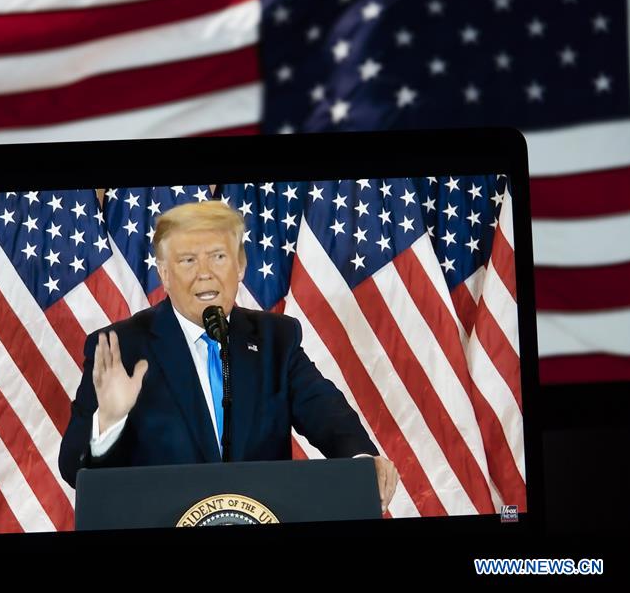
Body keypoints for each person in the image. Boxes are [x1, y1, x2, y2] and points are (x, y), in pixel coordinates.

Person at [58, 200, 399, 512]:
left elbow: (326, 413)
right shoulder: (121, 347)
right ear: (164, 273)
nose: (205, 272)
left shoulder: (275, 338)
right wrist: (110, 421)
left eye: (218, 257)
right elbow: (74, 469)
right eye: (188, 260)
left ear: (240, 266)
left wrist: (361, 460)